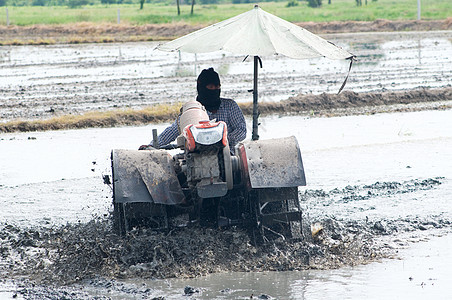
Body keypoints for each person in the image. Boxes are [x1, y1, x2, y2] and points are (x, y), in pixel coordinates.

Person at [139, 68, 246, 151]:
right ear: (202, 87)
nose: (215, 91)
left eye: (217, 87)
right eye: (211, 87)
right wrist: (151, 145)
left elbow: (241, 130)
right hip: (196, 155)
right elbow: (172, 131)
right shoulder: (193, 111)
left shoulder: (230, 106)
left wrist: (221, 140)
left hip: (228, 153)